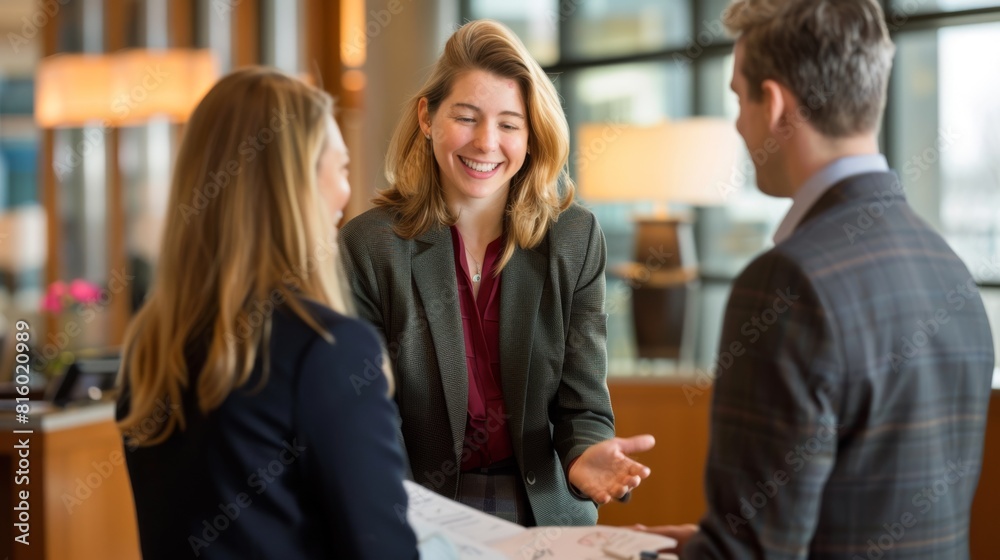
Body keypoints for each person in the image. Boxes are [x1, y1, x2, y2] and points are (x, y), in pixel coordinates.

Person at [637, 1, 996, 558]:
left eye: (738, 98)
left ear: (774, 103)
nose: (737, 122)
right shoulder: (947, 265)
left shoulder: (786, 284)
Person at [339, 19, 655, 526]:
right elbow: (371, 415)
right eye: (466, 117)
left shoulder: (573, 238)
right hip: (419, 508)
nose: (487, 143)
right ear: (427, 117)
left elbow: (583, 405)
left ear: (531, 136)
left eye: (509, 124)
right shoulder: (371, 245)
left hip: (541, 508)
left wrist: (584, 455)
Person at [116, 68, 420, 560]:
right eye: (340, 169)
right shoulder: (327, 352)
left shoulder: (150, 351)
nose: (347, 193)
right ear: (296, 184)